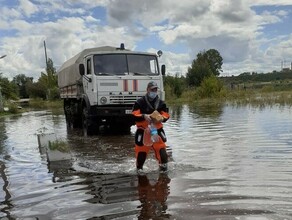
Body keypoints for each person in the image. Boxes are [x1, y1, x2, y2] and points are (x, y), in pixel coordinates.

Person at [132, 81, 170, 172]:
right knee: (141, 155)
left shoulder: (161, 103)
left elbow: (166, 115)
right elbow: (134, 114)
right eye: (152, 89)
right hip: (143, 131)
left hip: (157, 130)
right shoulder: (139, 102)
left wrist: (162, 118)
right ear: (147, 90)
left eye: (155, 89)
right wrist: (143, 116)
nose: (154, 91)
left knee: (163, 154)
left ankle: (163, 175)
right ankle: (139, 172)